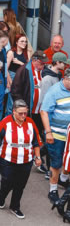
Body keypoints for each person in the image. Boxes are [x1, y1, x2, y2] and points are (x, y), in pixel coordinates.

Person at [0, 99, 42, 220]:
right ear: (13, 111)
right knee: (7, 181)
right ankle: (2, 196)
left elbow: (36, 142)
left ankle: (15, 206)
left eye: (25, 113)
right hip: (8, 160)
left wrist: (38, 157)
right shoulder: (5, 123)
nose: (23, 116)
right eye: (20, 113)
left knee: (20, 185)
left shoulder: (30, 123)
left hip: (26, 161)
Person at [41, 69, 70, 205]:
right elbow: (44, 111)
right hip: (57, 135)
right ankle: (52, 190)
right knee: (56, 163)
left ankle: (63, 179)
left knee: (68, 161)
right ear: (66, 79)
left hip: (68, 135)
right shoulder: (54, 91)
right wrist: (48, 132)